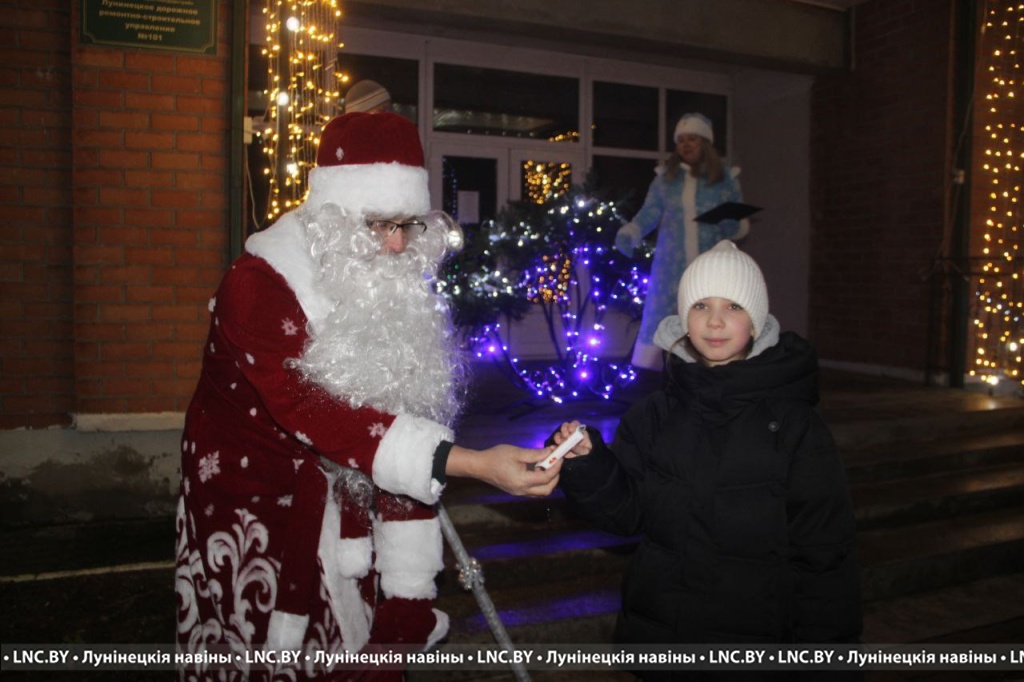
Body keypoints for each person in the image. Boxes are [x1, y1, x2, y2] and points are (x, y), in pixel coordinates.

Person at [175, 112, 560, 680]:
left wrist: (407, 597)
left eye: (407, 224)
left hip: (344, 499)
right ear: (336, 213)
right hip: (251, 500)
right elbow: (318, 414)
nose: (397, 245)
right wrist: (475, 464)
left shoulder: (385, 278)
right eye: (380, 224)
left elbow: (395, 427)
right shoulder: (258, 284)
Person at [551, 240, 862, 676]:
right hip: (667, 634)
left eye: (733, 306)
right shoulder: (653, 414)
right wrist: (590, 465)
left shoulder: (795, 426)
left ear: (756, 321)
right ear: (683, 318)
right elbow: (627, 514)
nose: (715, 321)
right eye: (701, 305)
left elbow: (825, 551)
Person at [616, 113, 751, 370]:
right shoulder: (665, 180)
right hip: (671, 270)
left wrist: (733, 224)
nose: (686, 145)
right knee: (668, 327)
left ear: (705, 143)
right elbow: (649, 214)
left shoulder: (724, 180)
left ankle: (710, 381)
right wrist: (631, 232)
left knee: (709, 325)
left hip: (711, 269)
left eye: (693, 139)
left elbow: (737, 220)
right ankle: (669, 383)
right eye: (681, 140)